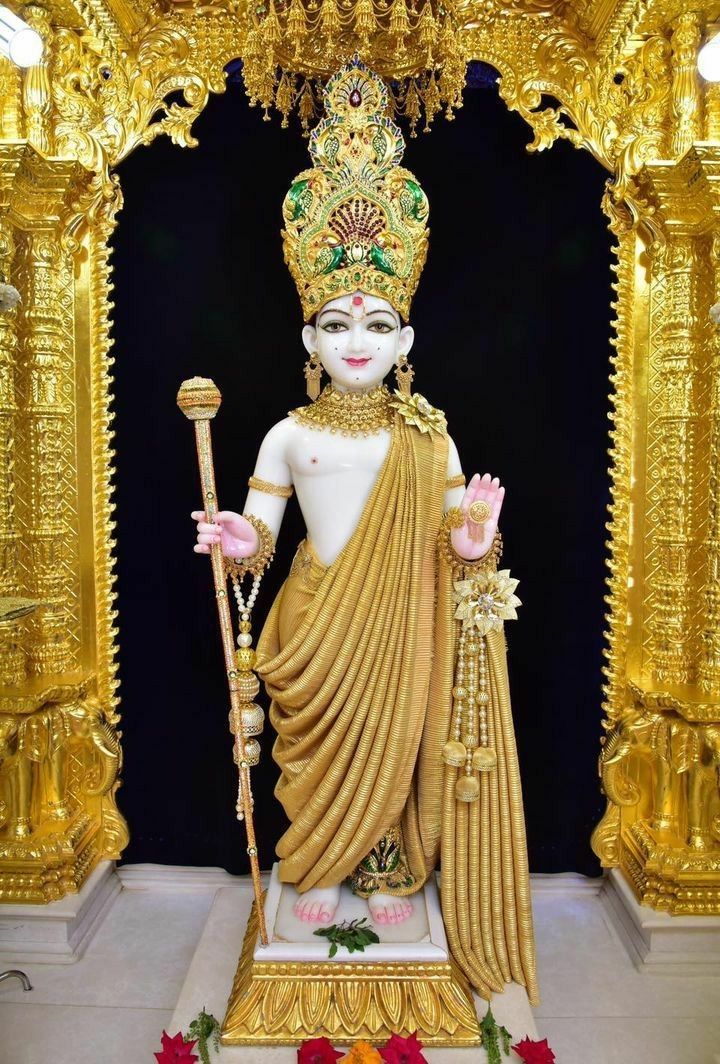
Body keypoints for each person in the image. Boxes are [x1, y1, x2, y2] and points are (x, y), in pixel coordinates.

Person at [192, 59, 537, 1004]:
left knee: (393, 747)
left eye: (378, 323)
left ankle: (383, 867)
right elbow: (263, 533)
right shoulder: (286, 431)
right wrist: (235, 538)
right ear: (308, 339)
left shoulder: (429, 433)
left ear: (406, 342)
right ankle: (313, 867)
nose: (356, 340)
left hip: (397, 626)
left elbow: (459, 534)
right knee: (311, 758)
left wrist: (471, 548)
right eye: (336, 322)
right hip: (314, 623)